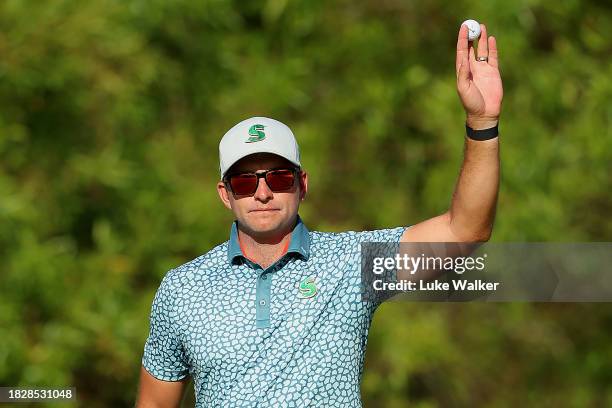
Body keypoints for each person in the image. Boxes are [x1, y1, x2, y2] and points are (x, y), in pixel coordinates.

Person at [136, 23, 502, 407]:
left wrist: (482, 125)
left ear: (302, 184)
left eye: (277, 177)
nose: (262, 192)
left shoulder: (349, 263)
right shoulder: (182, 289)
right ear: (225, 194)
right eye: (245, 182)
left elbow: (465, 230)